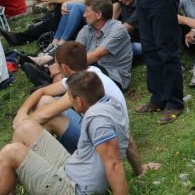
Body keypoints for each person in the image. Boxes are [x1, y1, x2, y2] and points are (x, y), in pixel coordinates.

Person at [13, 42, 158, 175]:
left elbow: (44, 115)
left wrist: (21, 127)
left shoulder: (81, 84)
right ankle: (24, 156)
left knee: (48, 118)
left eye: (55, 64)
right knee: (44, 101)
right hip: (111, 134)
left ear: (64, 67)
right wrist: (22, 112)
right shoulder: (90, 72)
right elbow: (41, 92)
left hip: (102, 145)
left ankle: (17, 161)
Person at [0, 71, 129, 194]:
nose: (68, 99)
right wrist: (139, 170)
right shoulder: (112, 103)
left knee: (10, 152)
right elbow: (129, 140)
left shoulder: (97, 120)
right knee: (25, 127)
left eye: (69, 96)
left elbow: (114, 162)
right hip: (72, 168)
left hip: (73, 189)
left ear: (79, 100)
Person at [111, 0, 144, 65]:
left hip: (144, 45)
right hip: (129, 40)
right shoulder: (126, 1)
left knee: (112, 50)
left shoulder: (142, 3)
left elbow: (122, 30)